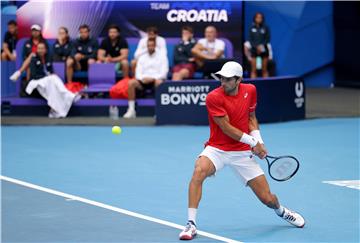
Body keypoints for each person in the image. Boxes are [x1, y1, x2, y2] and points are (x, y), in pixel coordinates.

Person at [178, 61, 305, 240]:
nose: (223, 82)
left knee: (268, 199)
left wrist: (259, 142)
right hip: (217, 149)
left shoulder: (250, 90)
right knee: (198, 171)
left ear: (238, 80)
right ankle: (191, 224)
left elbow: (251, 118)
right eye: (221, 78)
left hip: (242, 153)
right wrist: (253, 142)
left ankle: (281, 211)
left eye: (228, 79)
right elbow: (226, 128)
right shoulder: (213, 97)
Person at [9, 42, 80, 118]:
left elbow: (51, 71)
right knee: (52, 79)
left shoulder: (48, 59)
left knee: (54, 81)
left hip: (46, 82)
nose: (40, 50)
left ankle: (55, 111)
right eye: (39, 48)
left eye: (42, 48)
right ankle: (69, 96)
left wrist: (50, 76)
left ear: (45, 50)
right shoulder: (33, 59)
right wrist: (47, 77)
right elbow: (34, 75)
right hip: (35, 82)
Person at [123, 38, 168, 118]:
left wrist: (152, 78)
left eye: (152, 45)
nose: (150, 47)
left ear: (155, 46)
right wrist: (143, 79)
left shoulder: (162, 57)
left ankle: (158, 111)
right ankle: (131, 110)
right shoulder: (142, 57)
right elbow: (138, 73)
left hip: (155, 81)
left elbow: (164, 73)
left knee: (159, 83)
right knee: (131, 83)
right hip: (143, 81)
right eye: (148, 46)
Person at [245, 12, 272, 78]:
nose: (259, 19)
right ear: (255, 18)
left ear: (262, 19)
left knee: (264, 70)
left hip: (264, 50)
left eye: (260, 18)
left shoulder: (266, 27)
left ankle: (266, 85)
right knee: (253, 70)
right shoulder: (251, 28)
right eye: (257, 17)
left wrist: (261, 46)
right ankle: (253, 85)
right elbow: (250, 39)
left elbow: (267, 38)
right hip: (254, 50)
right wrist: (256, 47)